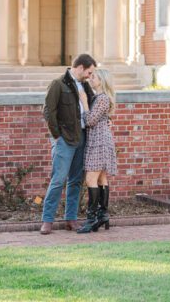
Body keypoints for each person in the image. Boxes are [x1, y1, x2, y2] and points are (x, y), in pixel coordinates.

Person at [40, 53, 96, 235]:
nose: (90, 75)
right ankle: (47, 220)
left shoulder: (86, 86)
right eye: (89, 71)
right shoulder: (58, 84)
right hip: (64, 139)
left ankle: (70, 219)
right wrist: (57, 136)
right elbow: (48, 111)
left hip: (82, 137)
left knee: (76, 181)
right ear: (80, 67)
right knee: (58, 179)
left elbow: (93, 108)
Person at [77, 67, 118, 233]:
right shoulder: (101, 98)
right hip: (99, 140)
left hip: (99, 142)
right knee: (101, 178)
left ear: (102, 80)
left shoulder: (101, 99)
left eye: (93, 77)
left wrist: (85, 102)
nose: (90, 79)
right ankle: (103, 215)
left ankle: (92, 219)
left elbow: (90, 121)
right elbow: (102, 118)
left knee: (90, 178)